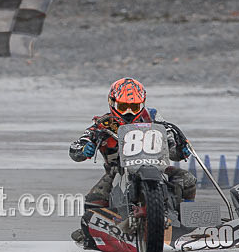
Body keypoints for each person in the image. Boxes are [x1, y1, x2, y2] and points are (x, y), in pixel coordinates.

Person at [69, 78, 196, 211]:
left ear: (142, 105)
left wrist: (181, 150)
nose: (129, 113)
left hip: (156, 167)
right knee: (91, 204)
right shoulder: (103, 124)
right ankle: (110, 227)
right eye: (123, 107)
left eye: (134, 107)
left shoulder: (152, 118)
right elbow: (76, 149)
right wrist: (83, 149)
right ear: (112, 103)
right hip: (118, 171)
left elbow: (173, 152)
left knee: (187, 180)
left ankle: (187, 217)